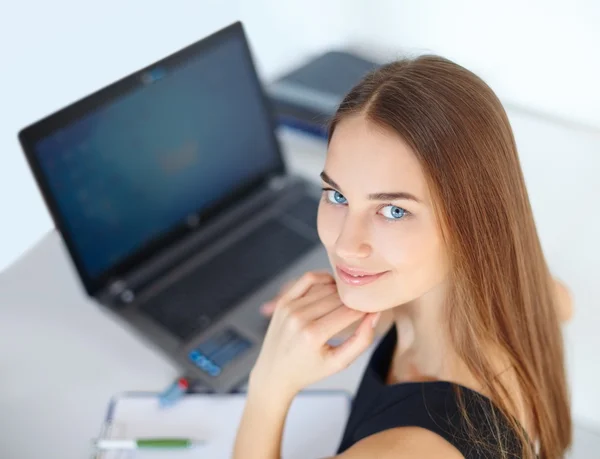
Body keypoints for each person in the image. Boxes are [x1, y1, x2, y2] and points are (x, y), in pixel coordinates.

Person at [233, 55, 573, 458]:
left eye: (394, 211)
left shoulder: (409, 449)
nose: (345, 245)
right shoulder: (518, 297)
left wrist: (270, 387)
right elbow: (560, 300)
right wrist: (372, 306)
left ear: (471, 221)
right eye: (338, 195)